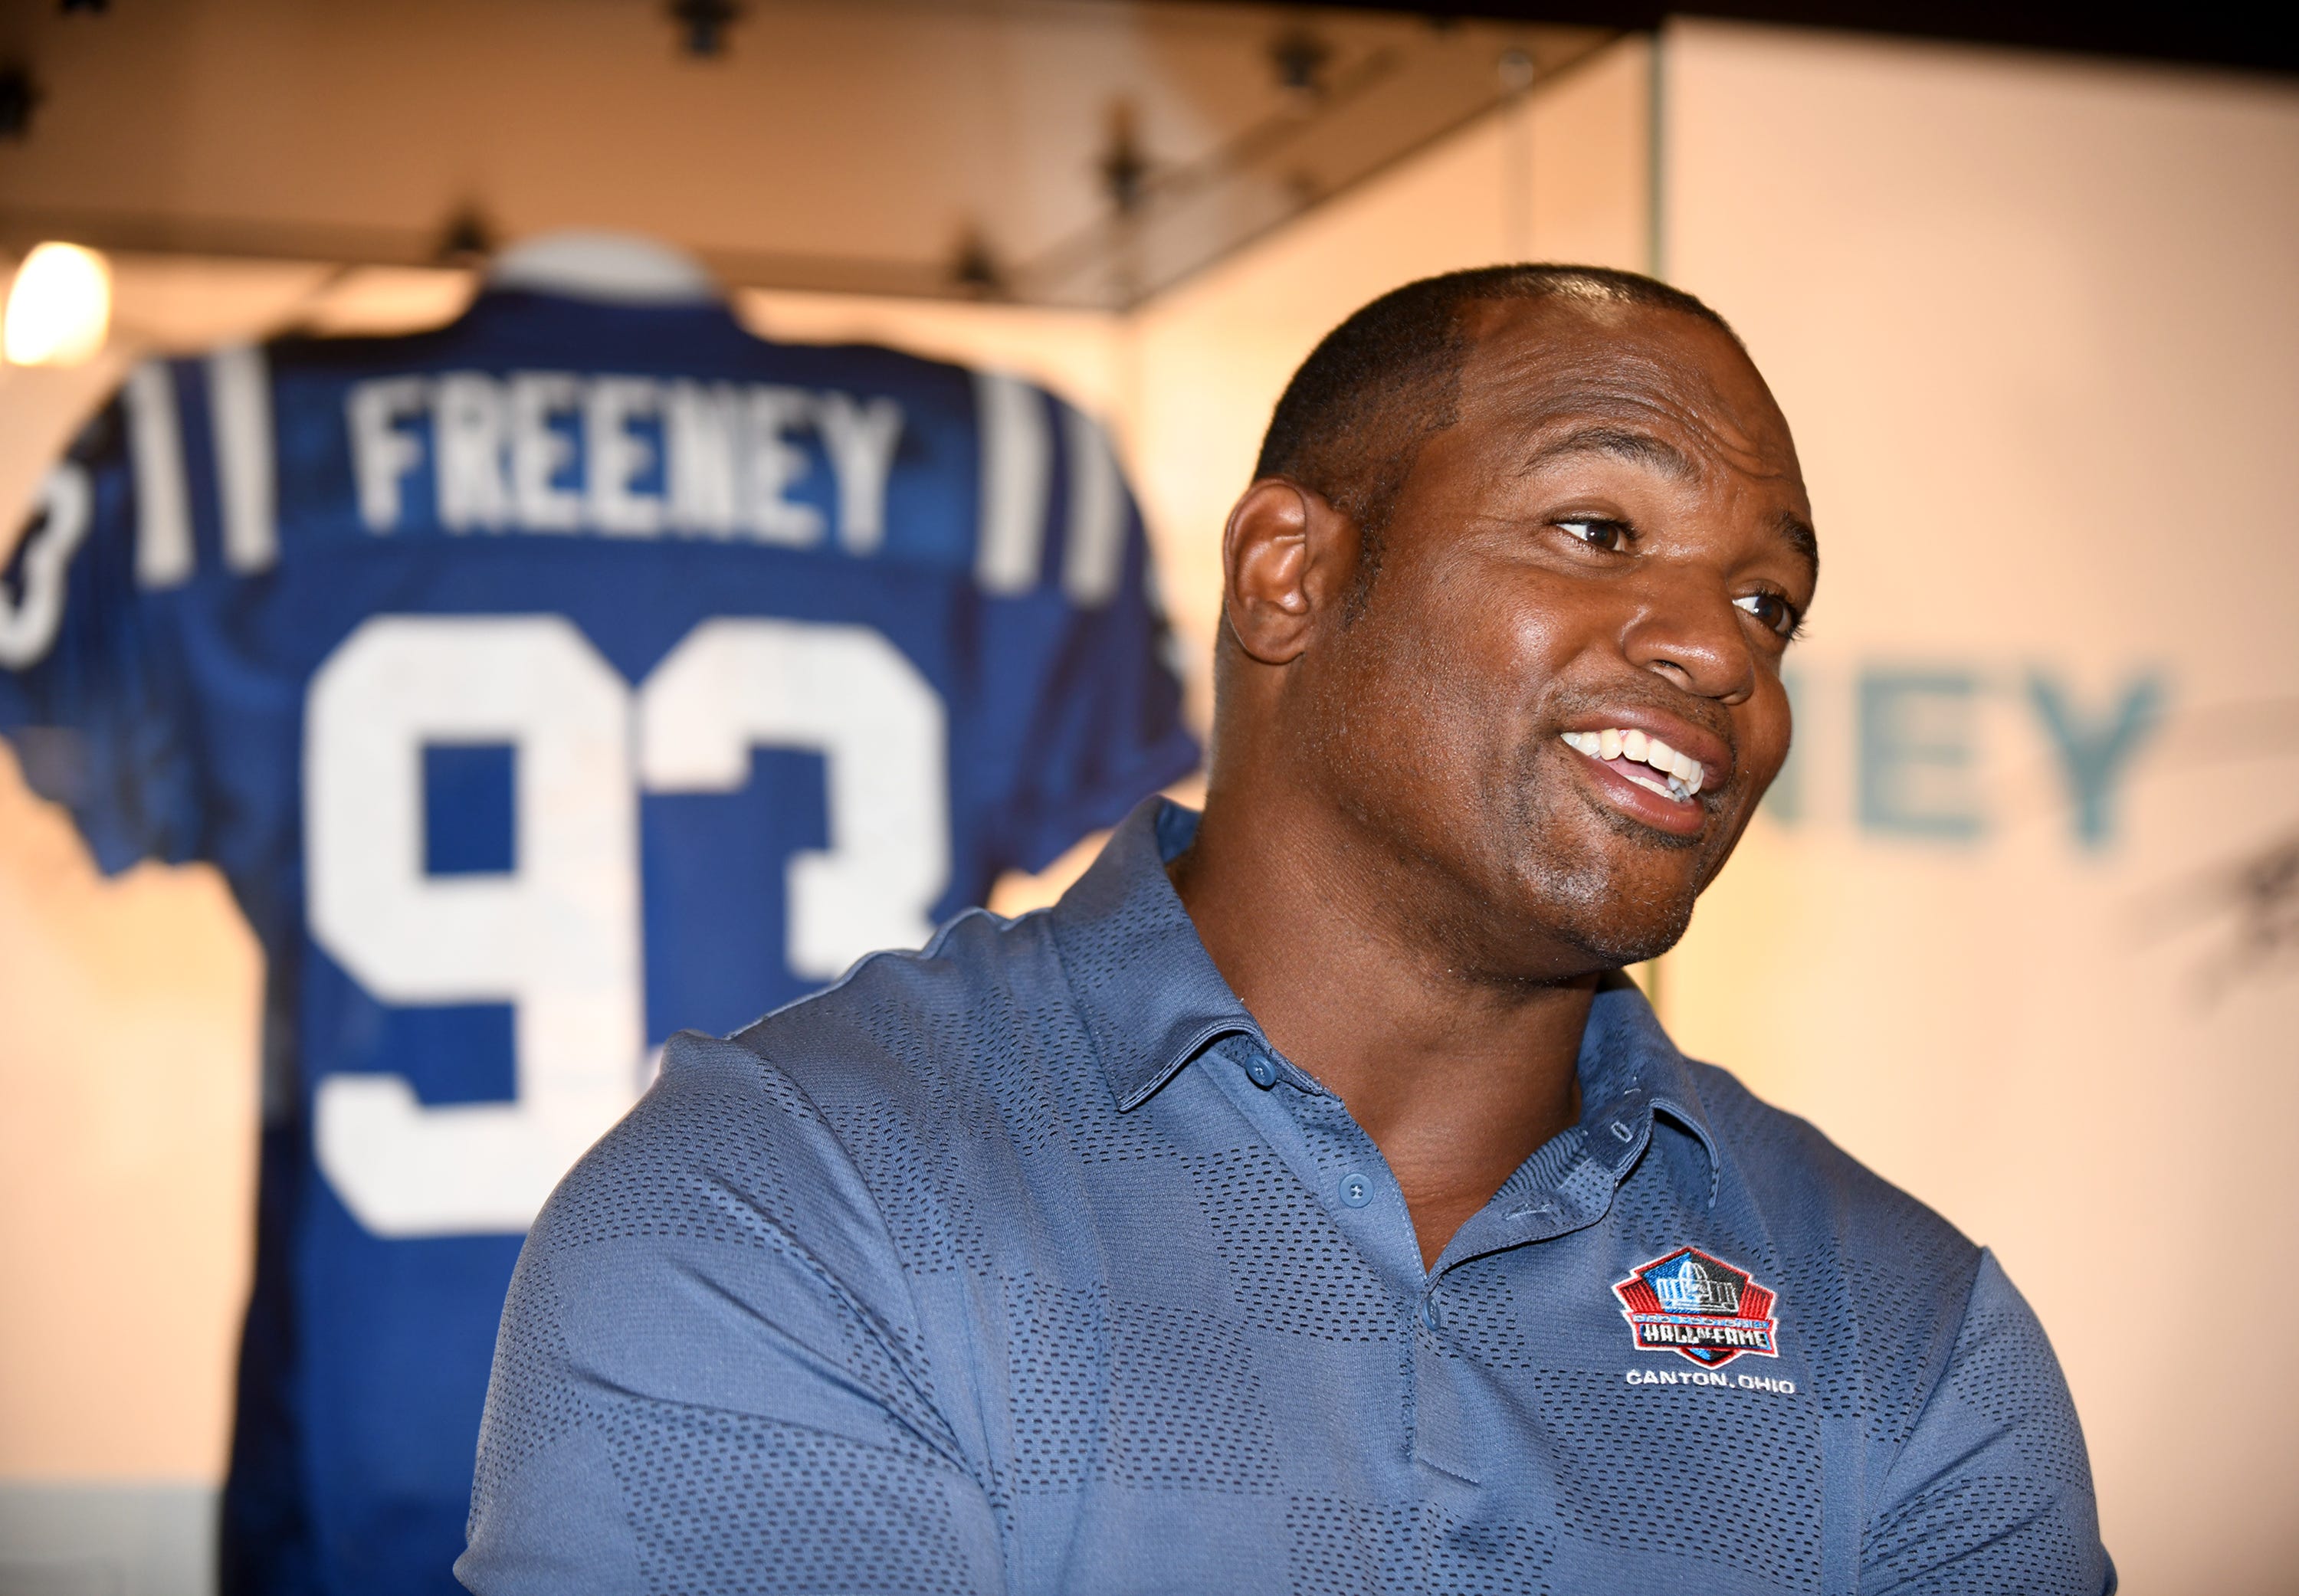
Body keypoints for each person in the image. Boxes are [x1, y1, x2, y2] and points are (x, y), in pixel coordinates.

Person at [458, 266, 2113, 1594]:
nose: (1721, 651)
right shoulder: (794, 1201)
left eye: (1771, 603)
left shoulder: (1900, 1331)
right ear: (1288, 575)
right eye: (1597, 530)